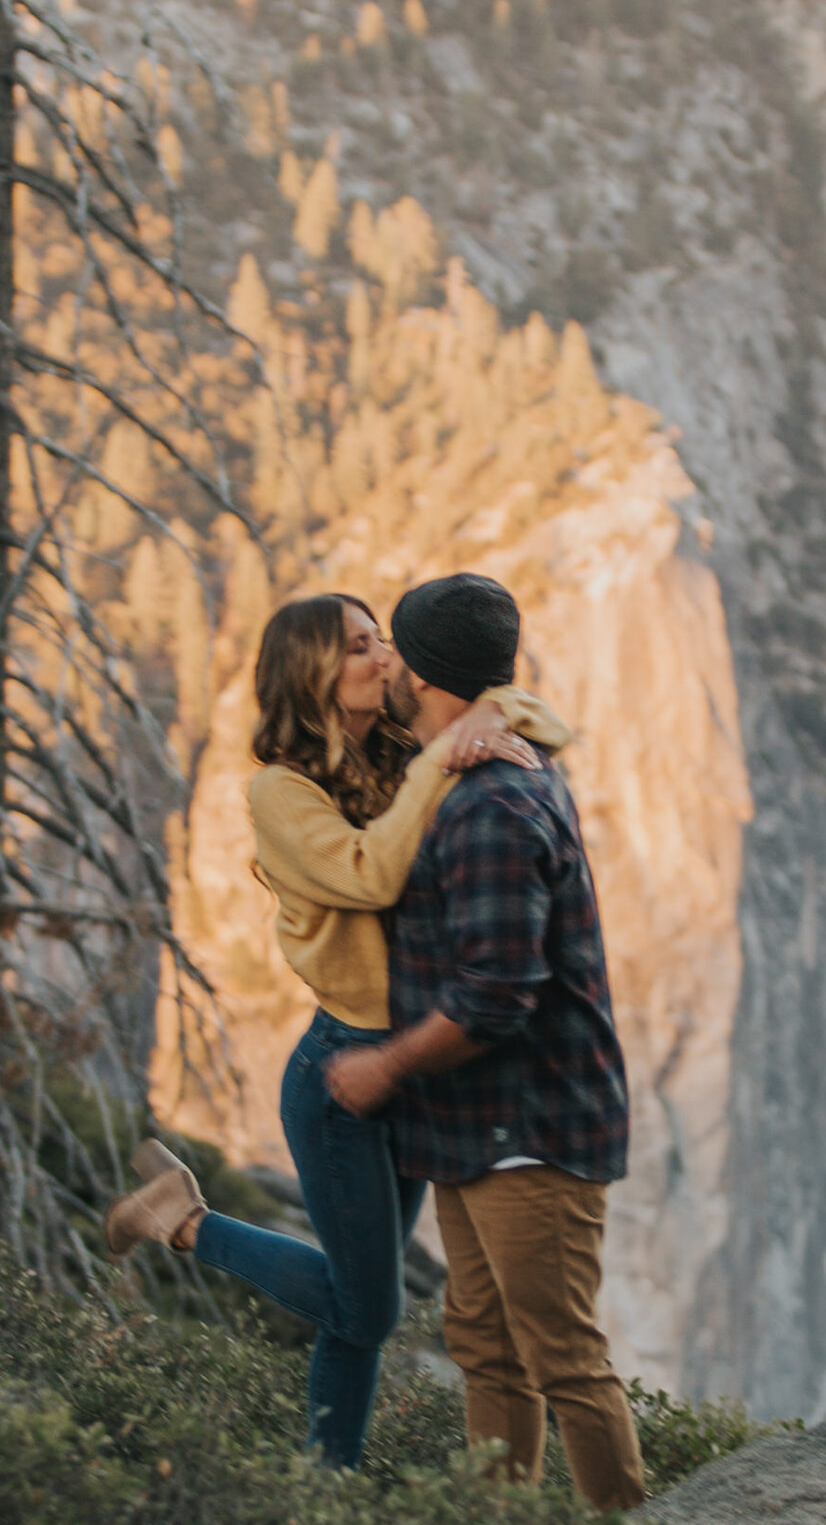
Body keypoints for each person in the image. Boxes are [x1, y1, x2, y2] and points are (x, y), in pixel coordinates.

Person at [104, 592, 561, 1468]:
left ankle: (327, 1488)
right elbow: (367, 873)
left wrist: (490, 711)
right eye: (359, 647)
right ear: (313, 671)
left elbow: (538, 713)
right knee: (371, 1309)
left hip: (411, 1066)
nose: (384, 659)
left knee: (355, 1320)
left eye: (382, 642)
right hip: (343, 1077)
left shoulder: (396, 743)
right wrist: (445, 760)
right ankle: (185, 1222)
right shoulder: (279, 790)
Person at [323, 571, 646, 1514]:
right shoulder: (470, 779)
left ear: (421, 677)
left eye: (394, 651)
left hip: (530, 1130)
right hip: (478, 1129)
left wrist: (383, 1065)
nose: (381, 664)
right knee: (486, 1346)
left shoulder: (494, 808)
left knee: (563, 1355)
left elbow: (497, 994)